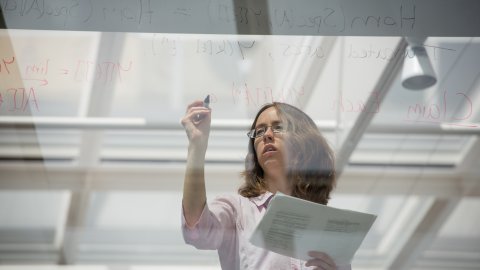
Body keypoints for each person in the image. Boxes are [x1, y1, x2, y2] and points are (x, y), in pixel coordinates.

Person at [181, 99, 351, 270]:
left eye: (278, 127)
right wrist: (197, 144)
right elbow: (197, 230)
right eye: (259, 131)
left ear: (304, 141)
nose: (266, 135)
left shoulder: (328, 229)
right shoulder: (238, 211)